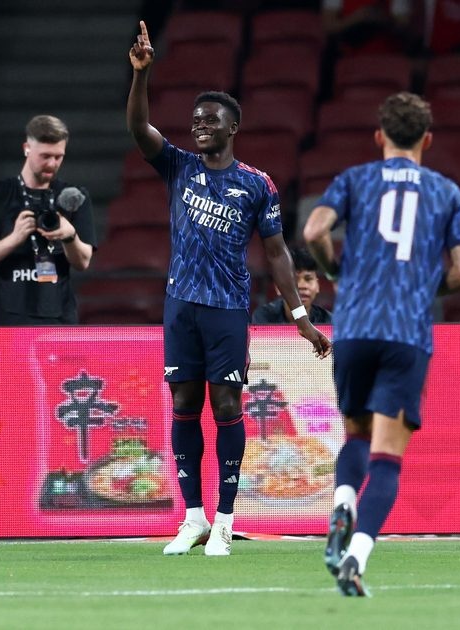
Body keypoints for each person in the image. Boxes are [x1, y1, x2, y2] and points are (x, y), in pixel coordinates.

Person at [127, 21, 331, 557]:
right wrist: (141, 76)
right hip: (181, 306)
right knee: (184, 402)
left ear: (233, 126)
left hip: (226, 308)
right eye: (194, 120)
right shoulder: (178, 167)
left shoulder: (256, 184)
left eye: (210, 120)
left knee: (225, 406)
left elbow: (278, 253)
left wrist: (299, 317)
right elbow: (138, 127)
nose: (199, 127)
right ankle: (192, 518)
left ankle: (224, 520)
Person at [302, 92, 460, 596]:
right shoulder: (447, 193)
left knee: (354, 434)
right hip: (405, 332)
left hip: (354, 327)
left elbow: (314, 229)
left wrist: (336, 268)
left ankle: (341, 501)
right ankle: (355, 558)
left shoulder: (354, 179)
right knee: (386, 459)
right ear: (427, 139)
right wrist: (426, 286)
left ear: (379, 136)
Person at [0, 115, 96, 325]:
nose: (52, 163)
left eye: (58, 156)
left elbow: (83, 261)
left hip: (58, 318)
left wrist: (69, 236)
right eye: (45, 156)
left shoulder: (74, 196)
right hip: (6, 320)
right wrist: (15, 238)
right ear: (27, 148)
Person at [251, 245, 332, 325]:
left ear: (317, 286)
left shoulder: (328, 321)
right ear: (278, 287)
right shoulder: (264, 317)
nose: (302, 286)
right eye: (294, 280)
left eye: (308, 279)